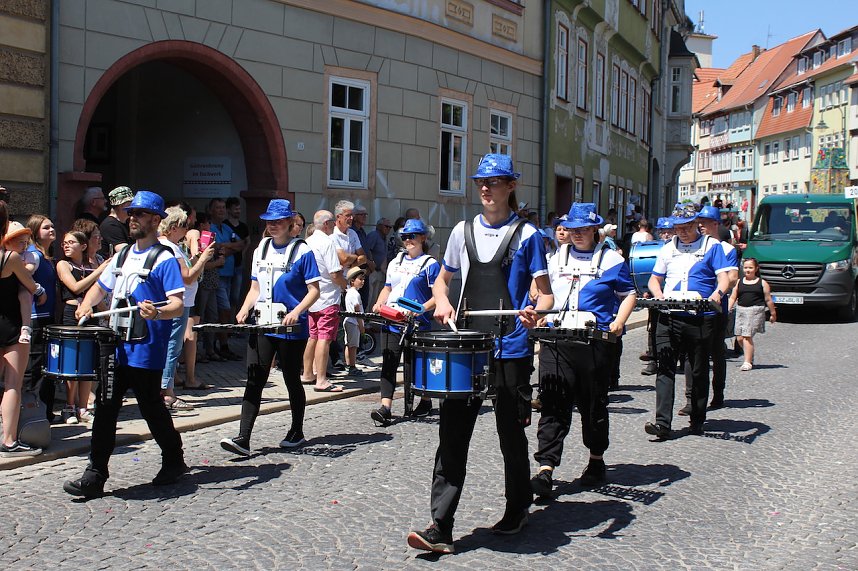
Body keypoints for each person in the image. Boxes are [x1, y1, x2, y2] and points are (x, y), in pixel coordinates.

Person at [407, 154, 554, 554]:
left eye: (495, 182)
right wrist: (440, 301)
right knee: (452, 434)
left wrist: (535, 313)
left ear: (510, 186)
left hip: (511, 346)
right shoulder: (461, 231)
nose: (486, 189)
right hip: (469, 344)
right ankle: (441, 525)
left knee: (510, 433)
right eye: (481, 183)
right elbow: (442, 282)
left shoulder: (528, 235)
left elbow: (545, 294)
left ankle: (518, 506)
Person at [63, 191, 187, 496]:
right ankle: (95, 473)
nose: (132, 218)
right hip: (114, 345)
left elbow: (177, 305)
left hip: (146, 348)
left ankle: (173, 457)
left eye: (140, 214)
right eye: (131, 214)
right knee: (105, 408)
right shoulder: (121, 255)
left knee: (151, 407)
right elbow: (101, 288)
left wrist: (157, 311)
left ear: (156, 220)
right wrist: (86, 305)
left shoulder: (165, 259)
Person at [530, 203, 636, 497]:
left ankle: (596, 459)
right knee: (552, 402)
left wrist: (618, 322)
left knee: (593, 404)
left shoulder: (612, 259)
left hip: (595, 343)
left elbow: (628, 295)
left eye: (583, 229)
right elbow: (538, 291)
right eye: (573, 229)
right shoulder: (553, 259)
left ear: (594, 230)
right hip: (557, 339)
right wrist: (537, 305)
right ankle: (545, 468)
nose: (577, 234)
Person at [220, 199, 321, 456]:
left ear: (290, 223)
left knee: (290, 378)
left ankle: (297, 430)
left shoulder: (302, 251)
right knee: (255, 378)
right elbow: (255, 288)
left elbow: (314, 291)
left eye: (278, 221)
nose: (273, 226)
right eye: (269, 222)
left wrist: (297, 312)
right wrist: (243, 309)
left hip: (291, 327)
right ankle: (243, 437)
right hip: (263, 323)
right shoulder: (260, 248)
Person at [643, 203, 734, 440]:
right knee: (665, 368)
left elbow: (724, 278)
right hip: (669, 314)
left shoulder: (711, 246)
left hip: (700, 316)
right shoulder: (667, 248)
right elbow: (655, 279)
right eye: (678, 228)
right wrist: (658, 296)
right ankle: (662, 423)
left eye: (687, 227)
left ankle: (697, 417)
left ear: (697, 224)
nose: (682, 232)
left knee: (698, 368)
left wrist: (717, 294)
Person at [370, 218, 439, 425]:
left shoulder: (430, 264)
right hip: (392, 319)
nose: (408, 240)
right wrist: (379, 303)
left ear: (423, 238)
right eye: (405, 236)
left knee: (418, 364)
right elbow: (387, 287)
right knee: (389, 362)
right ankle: (386, 407)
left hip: (417, 322)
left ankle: (425, 400)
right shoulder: (395, 261)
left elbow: (438, 296)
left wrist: (420, 310)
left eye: (413, 236)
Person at [677, 204, 739, 414]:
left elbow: (731, 278)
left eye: (704, 223)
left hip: (716, 308)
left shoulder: (725, 249)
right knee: (690, 354)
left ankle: (718, 393)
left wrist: (715, 288)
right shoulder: (691, 247)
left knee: (716, 352)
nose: (701, 226)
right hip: (693, 307)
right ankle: (690, 398)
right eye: (698, 223)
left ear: (715, 224)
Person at [158, 206, 215, 410]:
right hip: (177, 302)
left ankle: (164, 389)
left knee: (167, 346)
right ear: (174, 227)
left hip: (168, 302)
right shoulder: (171, 248)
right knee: (172, 347)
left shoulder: (160, 245)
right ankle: (167, 392)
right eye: (184, 226)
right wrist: (203, 258)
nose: (186, 230)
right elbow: (188, 276)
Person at [0, 204, 44, 457]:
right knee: (12, 385)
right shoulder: (10, 258)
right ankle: (8, 440)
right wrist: (41, 291)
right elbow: (32, 286)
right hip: (12, 325)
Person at [55, 230, 110, 424]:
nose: (66, 246)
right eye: (64, 243)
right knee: (72, 360)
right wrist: (99, 271)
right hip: (72, 315)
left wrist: (107, 313)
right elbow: (76, 288)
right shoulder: (63, 265)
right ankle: (69, 406)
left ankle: (83, 407)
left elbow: (98, 292)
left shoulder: (90, 264)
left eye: (71, 242)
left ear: (83, 246)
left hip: (91, 315)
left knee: (88, 361)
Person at [301, 210, 347, 392]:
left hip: (311, 297)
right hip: (327, 297)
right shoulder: (328, 242)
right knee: (324, 339)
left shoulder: (307, 242)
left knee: (313, 336)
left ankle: (307, 374)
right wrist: (346, 285)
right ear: (327, 224)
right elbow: (335, 274)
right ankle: (321, 379)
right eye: (333, 222)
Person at [24, 216, 59, 421]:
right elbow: (22, 275)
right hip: (37, 317)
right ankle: (33, 412)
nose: (52, 229)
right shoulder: (33, 255)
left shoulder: (44, 256)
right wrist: (38, 291)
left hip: (47, 317)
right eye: (46, 227)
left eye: (52, 226)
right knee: (36, 368)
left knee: (46, 366)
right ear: (36, 232)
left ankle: (45, 411)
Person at [208, 198, 246, 360]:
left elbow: (241, 244)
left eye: (223, 207)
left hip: (229, 274)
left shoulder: (226, 227)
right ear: (211, 210)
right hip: (216, 276)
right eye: (218, 208)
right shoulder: (209, 227)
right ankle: (219, 345)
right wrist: (226, 247)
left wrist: (224, 247)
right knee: (221, 311)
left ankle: (221, 345)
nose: (222, 210)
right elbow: (213, 248)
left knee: (225, 309)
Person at [641, 217, 674, 376]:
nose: (666, 235)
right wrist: (644, 289)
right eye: (663, 232)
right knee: (652, 327)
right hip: (656, 295)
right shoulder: (653, 249)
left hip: (674, 296)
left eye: (669, 231)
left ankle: (677, 357)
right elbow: (645, 272)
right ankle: (653, 360)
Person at [729, 258, 776, 371]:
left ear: (756, 269)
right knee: (739, 338)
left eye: (750, 268)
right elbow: (733, 297)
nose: (747, 270)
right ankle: (749, 354)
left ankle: (747, 362)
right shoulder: (739, 282)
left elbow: (768, 299)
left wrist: (773, 313)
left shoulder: (762, 283)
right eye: (745, 268)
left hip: (755, 311)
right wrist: (728, 308)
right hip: (741, 311)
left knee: (746, 336)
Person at [2, 222, 39, 344]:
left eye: (26, 242)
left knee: (24, 296)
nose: (24, 245)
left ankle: (26, 327)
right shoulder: (7, 257)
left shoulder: (27, 255)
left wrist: (19, 269)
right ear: (7, 242)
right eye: (20, 242)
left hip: (22, 284)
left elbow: (30, 268)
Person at [224, 196, 250, 323]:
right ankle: (227, 323)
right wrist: (235, 248)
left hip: (238, 265)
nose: (238, 211)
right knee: (226, 297)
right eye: (235, 209)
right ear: (229, 210)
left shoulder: (243, 226)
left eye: (239, 209)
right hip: (225, 266)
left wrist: (242, 253)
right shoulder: (225, 226)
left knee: (235, 296)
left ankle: (234, 322)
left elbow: (247, 242)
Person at [342, 267, 367, 378]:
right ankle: (352, 366)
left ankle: (349, 365)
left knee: (349, 344)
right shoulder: (355, 293)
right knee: (354, 346)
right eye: (360, 279)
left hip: (349, 321)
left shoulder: (349, 292)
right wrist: (361, 327)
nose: (363, 281)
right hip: (353, 321)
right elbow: (357, 308)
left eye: (363, 279)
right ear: (352, 281)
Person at [364, 217, 391, 314]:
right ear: (379, 226)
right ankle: (366, 317)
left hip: (380, 271)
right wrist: (371, 263)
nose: (388, 229)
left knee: (375, 297)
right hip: (372, 271)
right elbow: (367, 249)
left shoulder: (384, 238)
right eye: (386, 226)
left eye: (389, 227)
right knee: (369, 295)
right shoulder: (374, 235)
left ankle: (371, 317)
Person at [99, 186, 133, 257]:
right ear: (121, 205)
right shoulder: (110, 225)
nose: (133, 206)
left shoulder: (127, 222)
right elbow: (124, 252)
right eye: (130, 203)